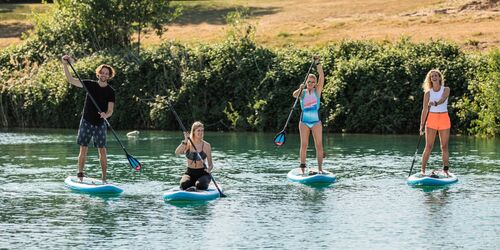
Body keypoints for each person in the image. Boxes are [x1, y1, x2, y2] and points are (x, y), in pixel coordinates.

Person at [61, 55, 116, 183]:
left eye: (106, 73)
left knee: (102, 150)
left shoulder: (110, 91)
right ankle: (80, 175)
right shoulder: (89, 85)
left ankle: (104, 179)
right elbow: (70, 80)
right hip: (86, 121)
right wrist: (65, 65)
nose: (104, 75)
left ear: (109, 76)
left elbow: (110, 110)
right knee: (83, 148)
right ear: (98, 74)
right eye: (102, 72)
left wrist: (105, 115)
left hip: (100, 123)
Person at [292, 56, 325, 175]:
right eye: (308, 82)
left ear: (315, 84)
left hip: (316, 122)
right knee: (304, 145)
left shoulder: (317, 91)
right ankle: (302, 169)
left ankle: (320, 169)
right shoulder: (303, 93)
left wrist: (317, 63)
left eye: (312, 82)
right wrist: (300, 88)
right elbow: (294, 95)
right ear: (306, 83)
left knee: (319, 145)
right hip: (304, 122)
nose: (310, 83)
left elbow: (321, 75)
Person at [419, 69, 451, 177]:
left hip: (444, 118)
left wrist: (435, 103)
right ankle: (422, 170)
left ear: (439, 77)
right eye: (432, 76)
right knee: (428, 146)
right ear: (430, 79)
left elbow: (442, 99)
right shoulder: (428, 93)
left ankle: (445, 170)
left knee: (444, 146)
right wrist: (421, 126)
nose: (434, 77)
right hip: (431, 119)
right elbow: (424, 110)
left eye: (436, 75)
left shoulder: (446, 89)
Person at [175, 121, 213, 191]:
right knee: (184, 185)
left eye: (202, 130)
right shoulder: (187, 144)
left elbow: (211, 165)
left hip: (203, 173)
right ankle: (191, 185)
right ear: (193, 131)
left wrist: (209, 169)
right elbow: (177, 153)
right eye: (198, 130)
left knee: (200, 185)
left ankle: (198, 185)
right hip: (190, 173)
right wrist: (185, 140)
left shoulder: (207, 145)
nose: (201, 132)